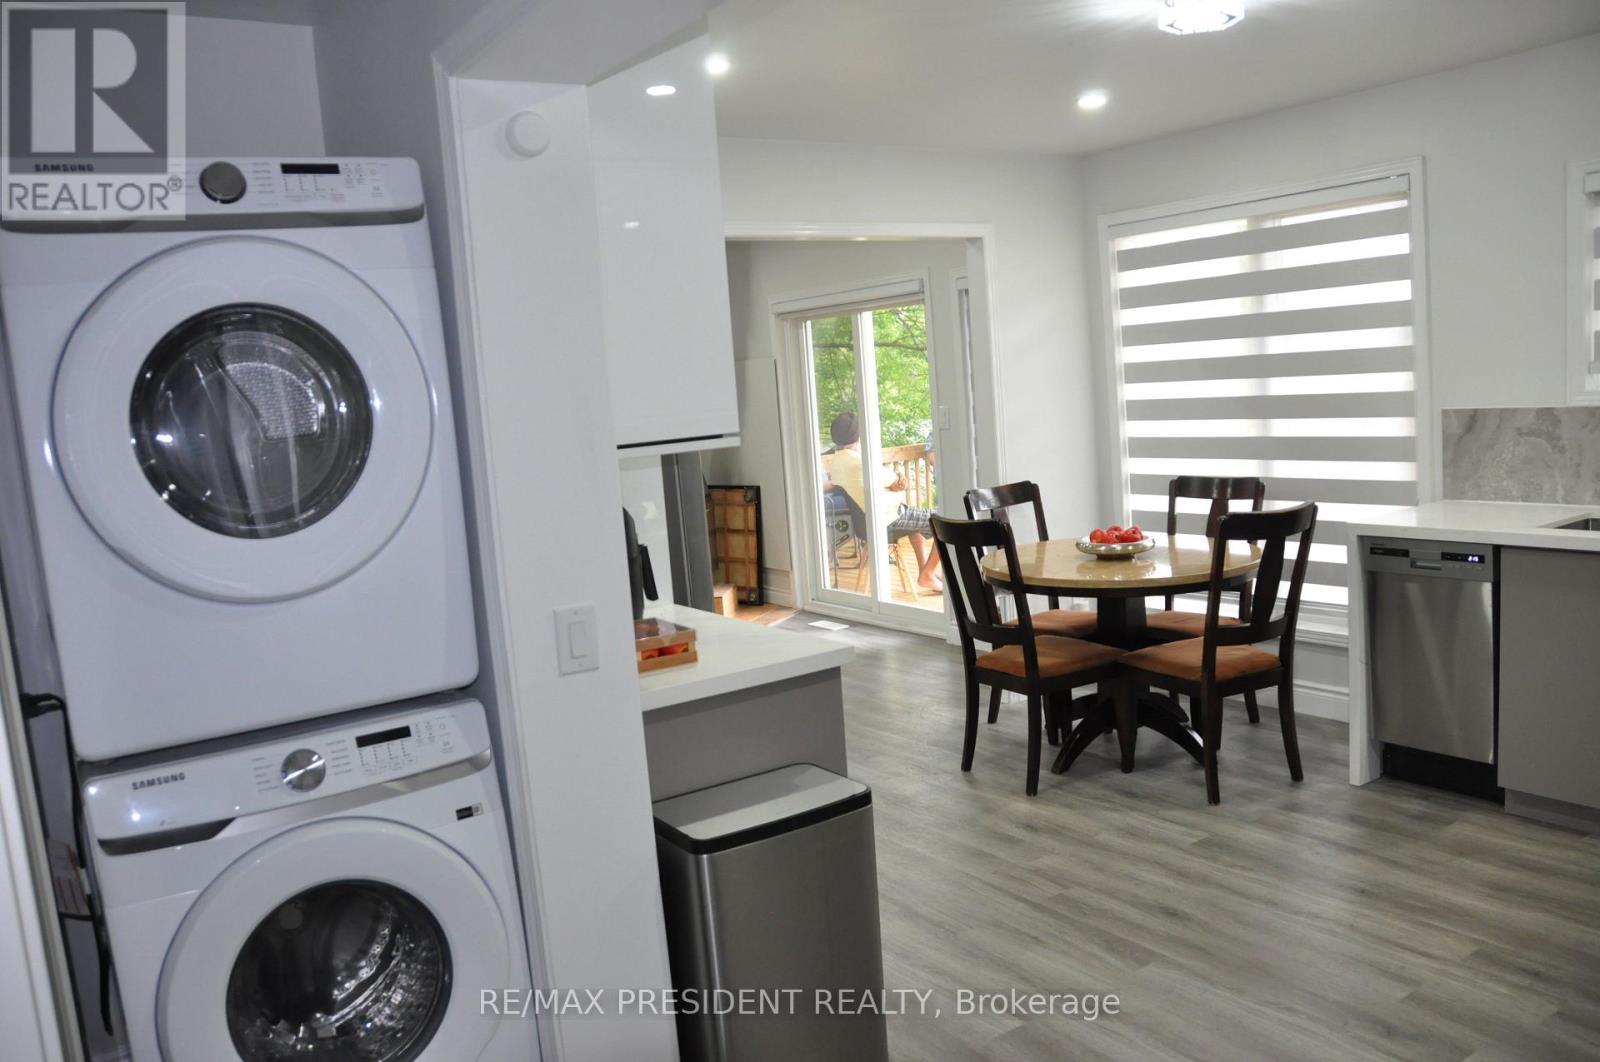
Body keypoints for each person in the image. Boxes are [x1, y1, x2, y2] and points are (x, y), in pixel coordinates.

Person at [824, 412, 943, 593]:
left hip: (864, 525)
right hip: (887, 519)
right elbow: (896, 482)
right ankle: (927, 574)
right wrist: (900, 477)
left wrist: (894, 483)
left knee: (915, 523)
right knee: (943, 521)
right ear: (859, 434)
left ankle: (925, 573)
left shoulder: (838, 461)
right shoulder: (860, 462)